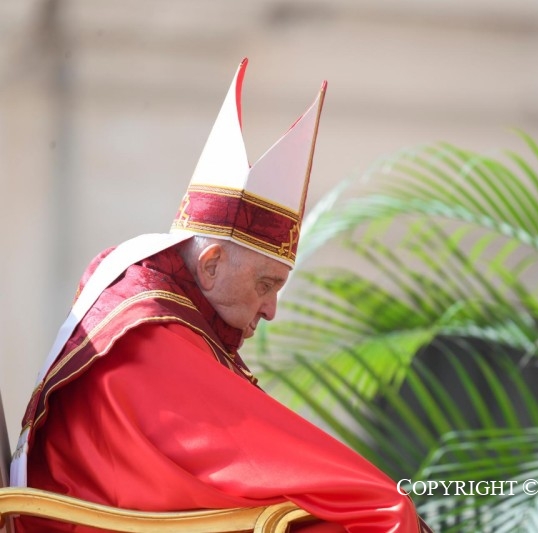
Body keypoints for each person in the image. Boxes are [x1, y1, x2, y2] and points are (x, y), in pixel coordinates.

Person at [11, 58, 432, 533]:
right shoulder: (149, 331)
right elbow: (255, 459)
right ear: (210, 264)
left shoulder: (160, 308)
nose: (271, 309)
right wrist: (381, 502)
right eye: (266, 284)